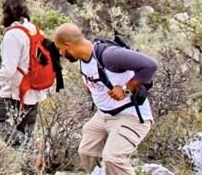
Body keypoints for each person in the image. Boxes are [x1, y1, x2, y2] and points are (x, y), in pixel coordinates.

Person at [52, 24, 157, 175]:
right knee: (87, 152)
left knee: (113, 159)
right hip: (104, 115)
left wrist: (127, 88)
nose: (61, 53)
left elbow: (150, 65)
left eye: (60, 48)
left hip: (130, 115)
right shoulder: (83, 58)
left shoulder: (109, 56)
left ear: (68, 45)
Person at [0, 0, 52, 146]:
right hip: (35, 89)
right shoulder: (35, 29)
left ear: (6, 13)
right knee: (25, 129)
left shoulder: (13, 34)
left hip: (17, 90)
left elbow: (9, 69)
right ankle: (34, 158)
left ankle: (33, 148)